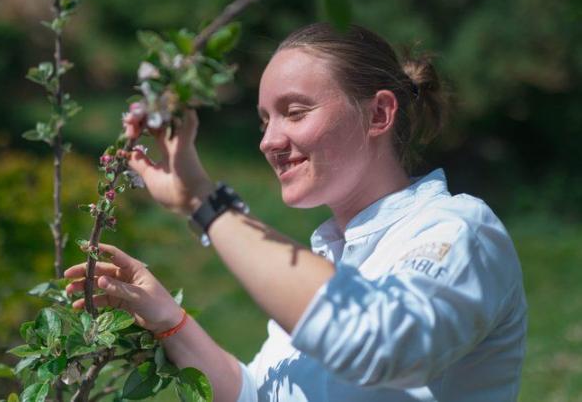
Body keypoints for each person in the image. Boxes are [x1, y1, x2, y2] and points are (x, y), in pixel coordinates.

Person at [64, 23, 527, 401]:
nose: (268, 141)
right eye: (265, 120)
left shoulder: (460, 231)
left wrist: (206, 206)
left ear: (379, 115)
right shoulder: (326, 259)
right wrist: (169, 318)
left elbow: (375, 342)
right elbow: (262, 395)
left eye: (295, 112)